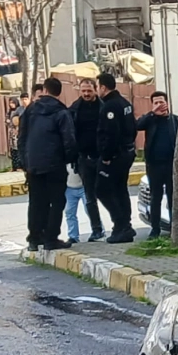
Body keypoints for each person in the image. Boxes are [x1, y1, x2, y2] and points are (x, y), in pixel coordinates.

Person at [19, 77, 77, 251]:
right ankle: (51, 238)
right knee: (57, 201)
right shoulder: (62, 112)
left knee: (36, 201)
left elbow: (22, 137)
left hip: (33, 164)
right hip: (54, 164)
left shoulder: (30, 110)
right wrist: (68, 159)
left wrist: (25, 161)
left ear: (44, 90)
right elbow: (69, 140)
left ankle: (35, 238)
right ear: (59, 93)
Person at [94, 73, 137, 243]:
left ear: (103, 87)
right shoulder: (125, 103)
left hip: (115, 156)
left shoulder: (110, 107)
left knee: (102, 189)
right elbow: (133, 129)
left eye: (97, 87)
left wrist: (106, 156)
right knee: (120, 189)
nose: (97, 90)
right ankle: (124, 226)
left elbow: (111, 134)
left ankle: (121, 224)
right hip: (127, 152)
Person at [68, 78, 107, 241]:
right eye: (83, 91)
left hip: (103, 158)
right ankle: (96, 229)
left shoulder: (104, 108)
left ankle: (120, 224)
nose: (86, 94)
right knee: (89, 197)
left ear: (95, 90)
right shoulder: (75, 109)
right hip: (84, 159)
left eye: (89, 91)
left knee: (108, 193)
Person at [136, 91, 178, 238]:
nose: (159, 105)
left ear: (167, 103)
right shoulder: (150, 120)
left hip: (172, 166)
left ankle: (175, 228)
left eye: (161, 102)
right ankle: (155, 229)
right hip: (154, 166)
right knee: (155, 198)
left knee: (173, 197)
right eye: (156, 103)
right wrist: (152, 113)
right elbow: (137, 125)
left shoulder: (174, 120)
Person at [62, 162, 87, 245]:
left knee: (90, 210)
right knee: (69, 212)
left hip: (84, 187)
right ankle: (73, 236)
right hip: (69, 188)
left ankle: (99, 231)